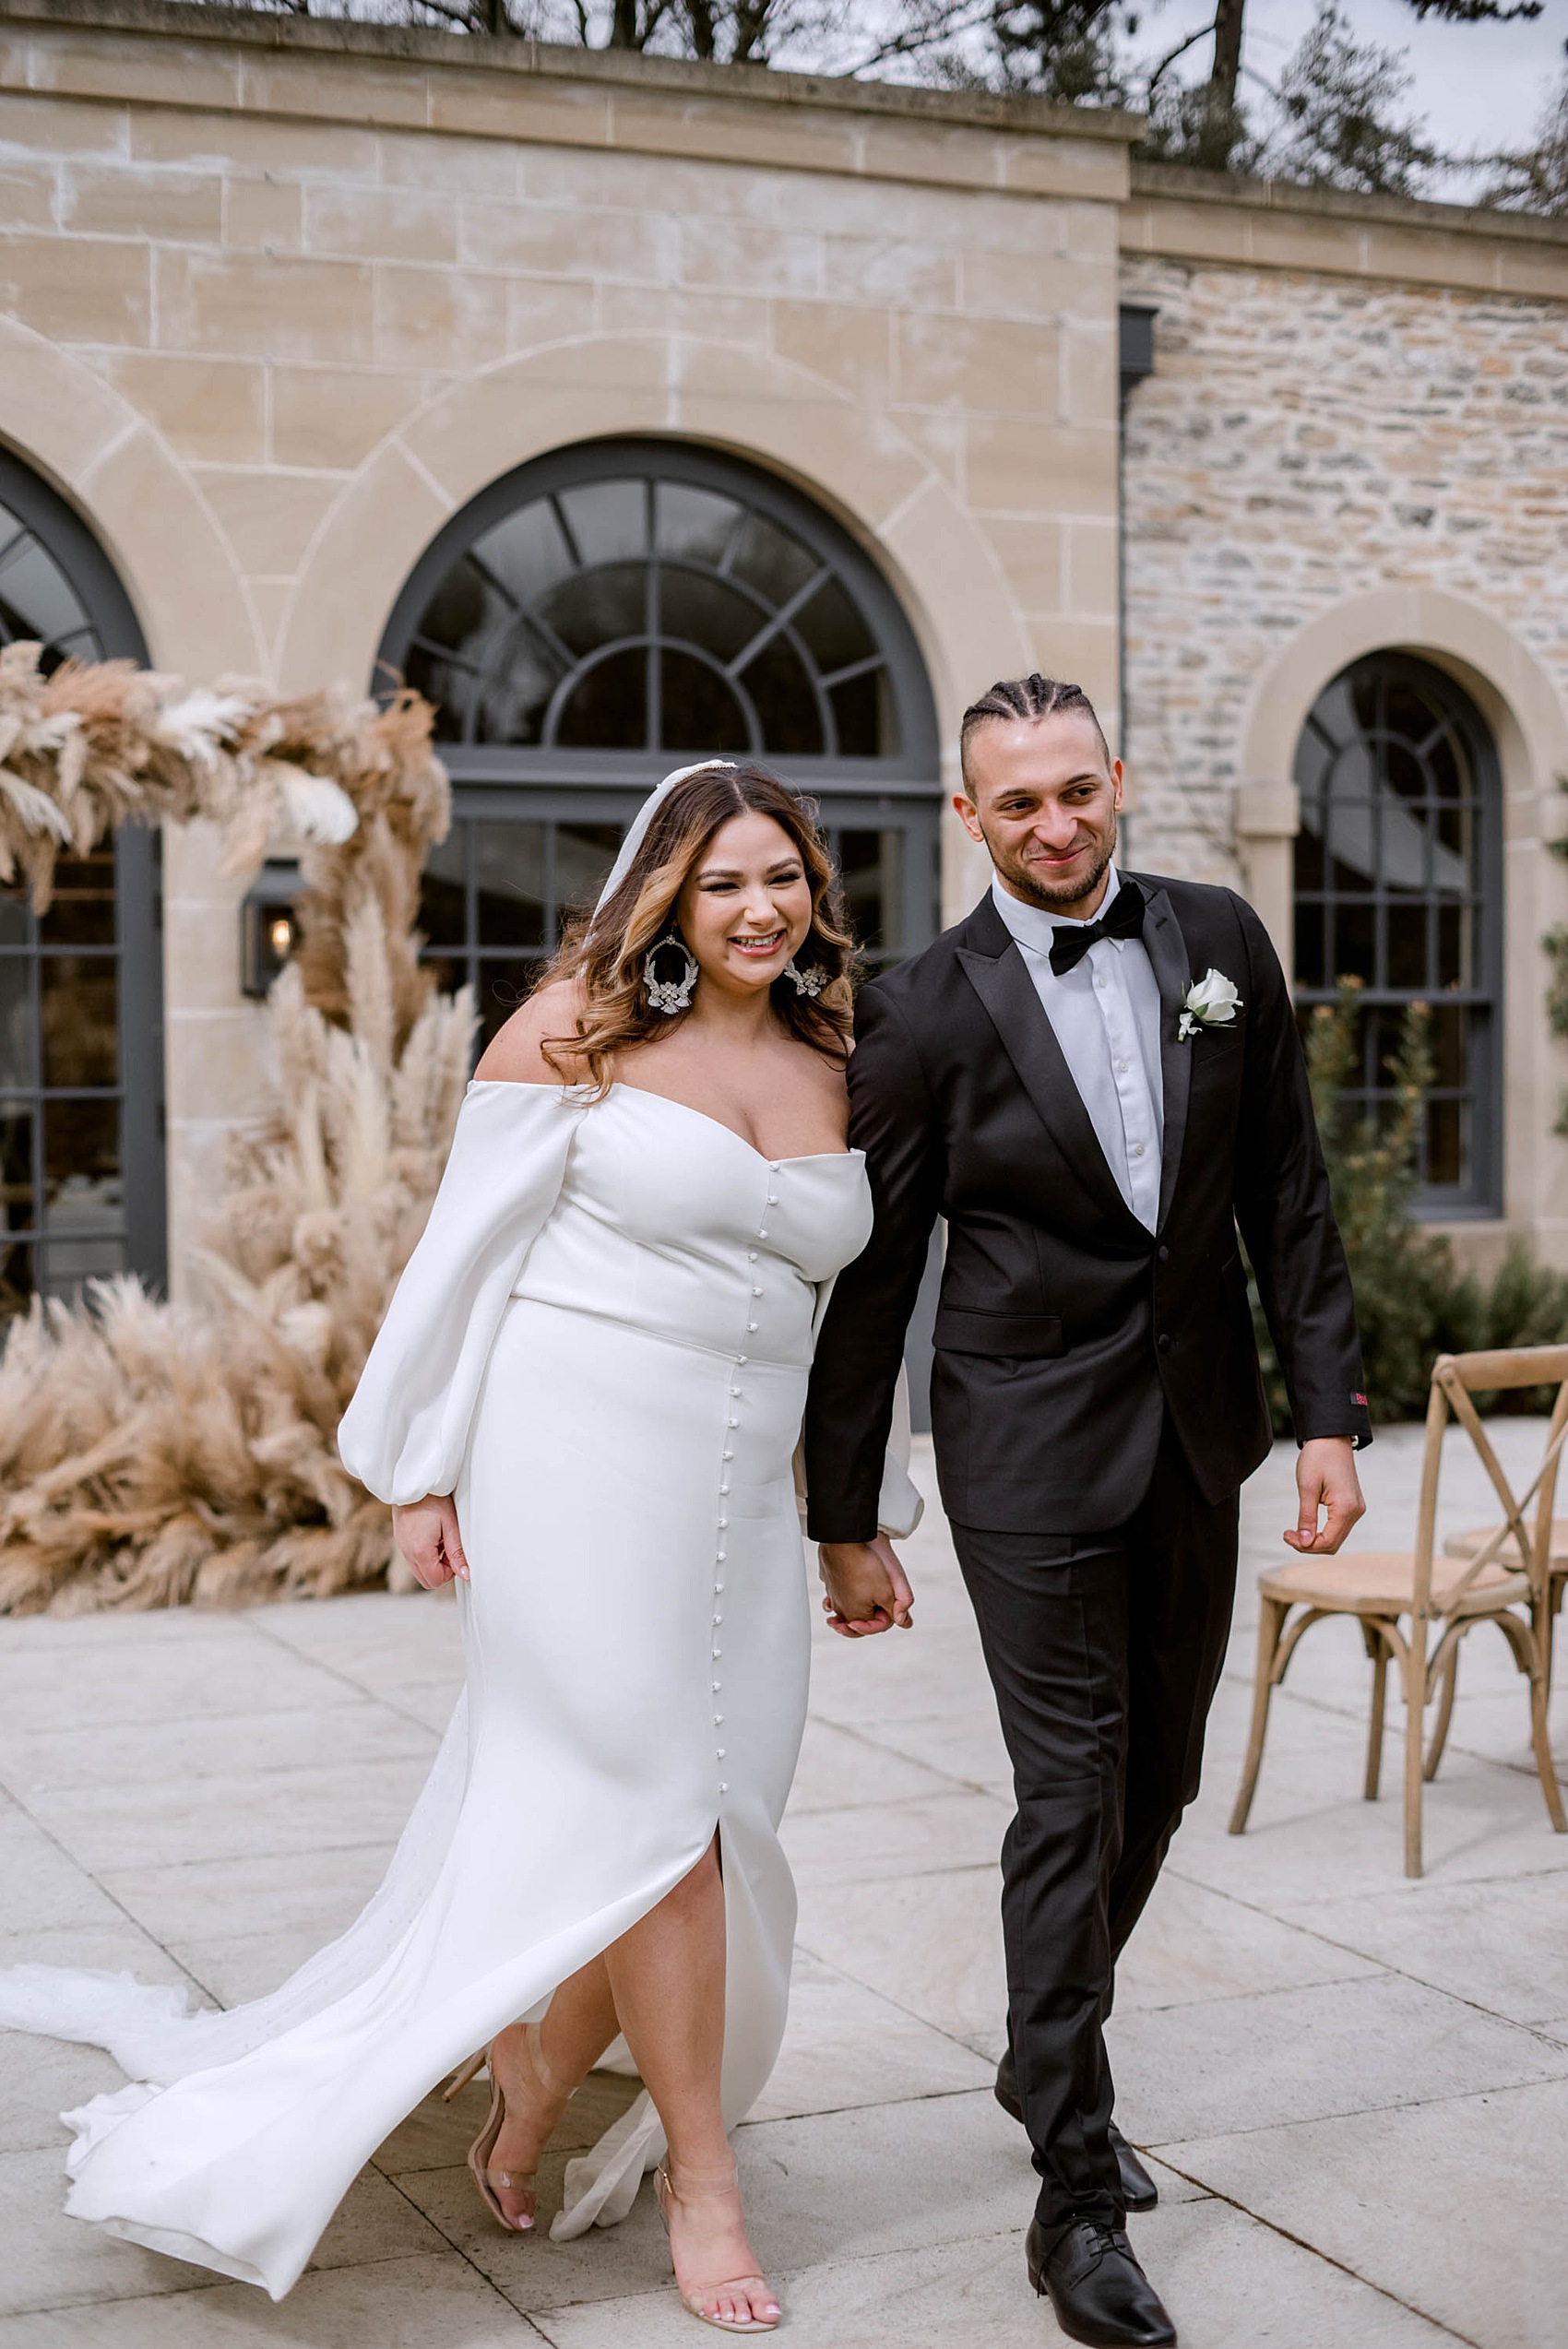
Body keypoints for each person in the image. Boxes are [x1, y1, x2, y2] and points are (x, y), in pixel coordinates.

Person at [0, 759, 921, 2323]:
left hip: (745, 1496)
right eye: (725, 882)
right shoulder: (572, 1028)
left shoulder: (844, 1056)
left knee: (705, 1813)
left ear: (816, 895)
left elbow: (860, 1328)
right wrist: (423, 1472)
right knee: (668, 1821)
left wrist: (863, 1515)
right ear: (668, 901)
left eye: (785, 878)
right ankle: (706, 2188)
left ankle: (534, 2074)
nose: (761, 907)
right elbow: (461, 1258)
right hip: (572, 1459)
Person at [802, 674, 1370, 2349]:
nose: (1057, 826)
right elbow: (877, 1274)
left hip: (1200, 1431)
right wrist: (853, 1510)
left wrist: (1328, 1415)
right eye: (1018, 804)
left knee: (1167, 1777)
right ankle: (1072, 2189)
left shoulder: (1219, 941)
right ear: (964, 819)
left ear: (1116, 780)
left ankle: (1044, 2044)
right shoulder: (919, 1011)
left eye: (1078, 790)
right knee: (1073, 1794)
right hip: (1026, 1448)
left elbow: (1289, 1187)